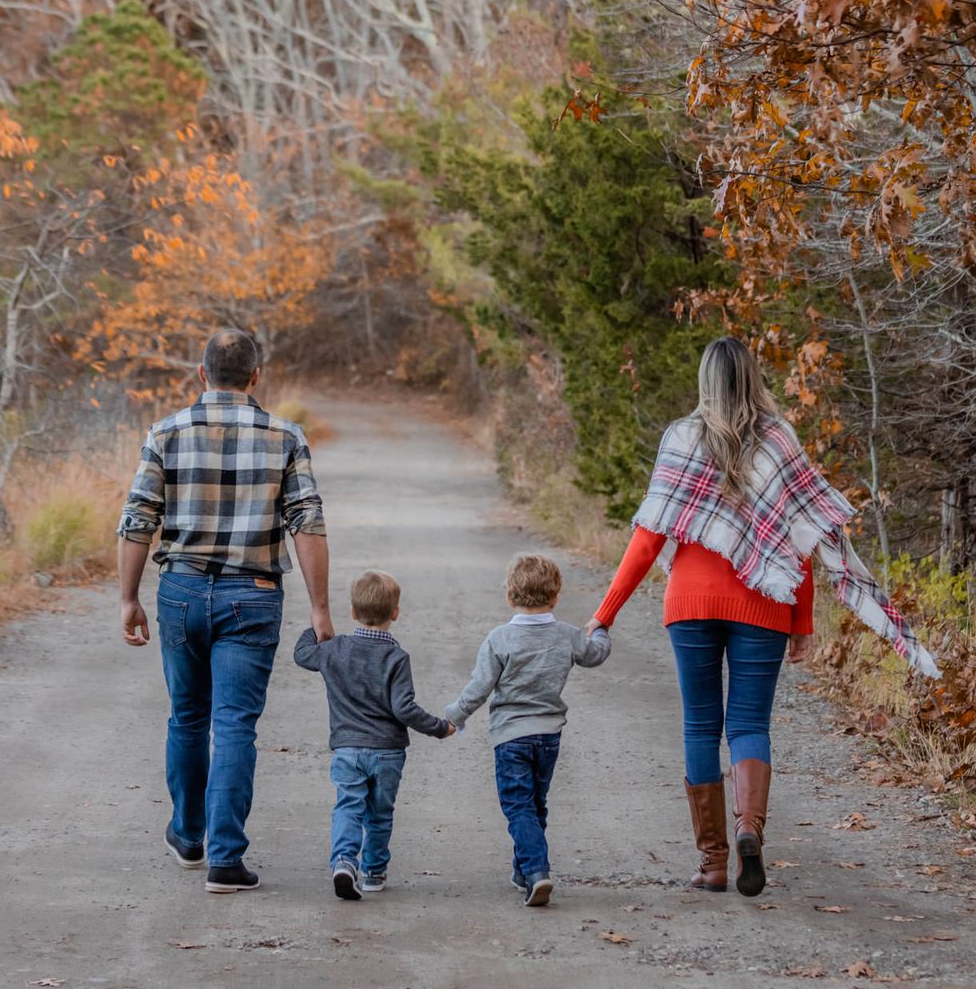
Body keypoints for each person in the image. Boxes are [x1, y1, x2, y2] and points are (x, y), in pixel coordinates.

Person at [588, 337, 936, 898]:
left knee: (701, 726)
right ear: (751, 378)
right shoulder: (779, 440)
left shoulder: (682, 437)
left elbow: (648, 539)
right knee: (749, 725)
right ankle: (750, 830)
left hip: (691, 603)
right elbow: (804, 538)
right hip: (765, 604)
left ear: (705, 381)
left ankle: (713, 864)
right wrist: (802, 620)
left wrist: (603, 615)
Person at [115, 328, 333, 895]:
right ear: (255, 376)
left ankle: (188, 836)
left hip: (181, 591)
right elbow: (306, 522)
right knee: (235, 723)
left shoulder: (166, 431)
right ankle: (225, 859)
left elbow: (139, 518)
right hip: (253, 593)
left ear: (202, 374)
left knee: (187, 716)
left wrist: (128, 597)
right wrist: (320, 607)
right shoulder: (286, 436)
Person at [445, 553, 611, 907]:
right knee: (535, 804)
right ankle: (523, 873)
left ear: (510, 597)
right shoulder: (567, 635)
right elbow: (595, 654)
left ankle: (537, 871)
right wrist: (601, 629)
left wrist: (454, 716)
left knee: (518, 806)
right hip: (549, 736)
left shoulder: (500, 639)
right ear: (555, 596)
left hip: (510, 737)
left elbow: (479, 687)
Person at [293, 570, 456, 901]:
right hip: (387, 753)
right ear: (395, 613)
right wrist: (440, 727)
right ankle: (374, 872)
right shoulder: (396, 657)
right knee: (379, 814)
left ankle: (343, 861)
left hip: (347, 751)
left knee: (348, 808)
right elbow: (405, 709)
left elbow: (301, 654)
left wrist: (315, 628)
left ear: (352, 612)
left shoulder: (334, 650)